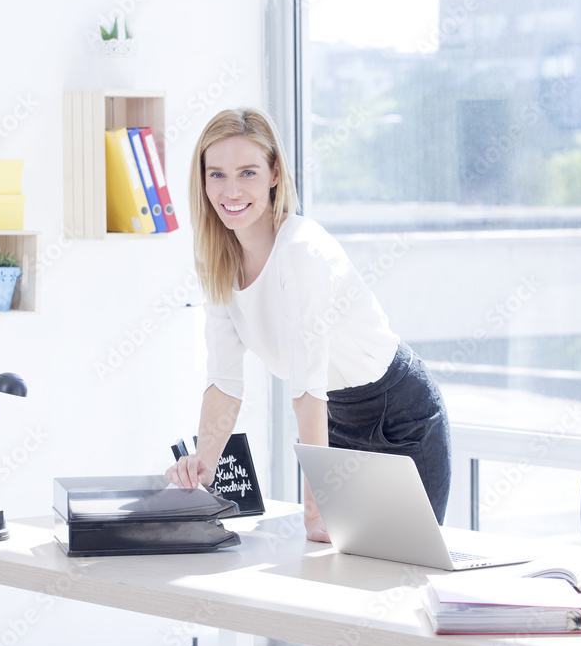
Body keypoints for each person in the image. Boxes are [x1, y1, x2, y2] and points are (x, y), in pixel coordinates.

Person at [165, 107, 451, 542]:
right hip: (337, 419)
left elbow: (306, 389)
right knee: (342, 583)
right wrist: (201, 475)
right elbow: (224, 382)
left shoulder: (300, 251)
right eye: (217, 175)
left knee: (404, 570)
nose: (231, 190)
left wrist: (315, 511)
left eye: (247, 172)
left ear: (275, 173)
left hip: (401, 416)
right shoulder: (218, 259)